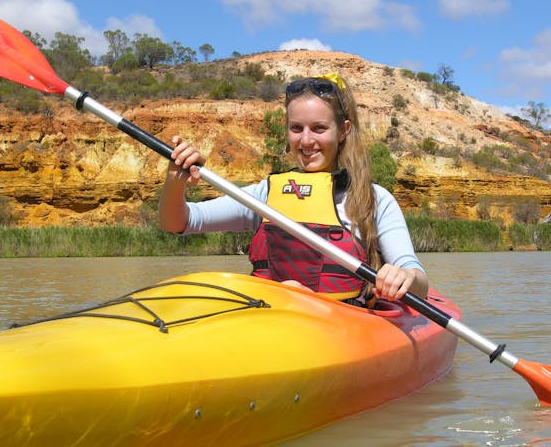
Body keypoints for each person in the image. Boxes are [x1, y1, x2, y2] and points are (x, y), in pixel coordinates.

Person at [158, 72, 428, 305]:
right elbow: (179, 222)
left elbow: (418, 281)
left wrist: (404, 277)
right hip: (274, 320)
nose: (306, 140)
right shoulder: (265, 195)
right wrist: (175, 178)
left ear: (343, 130)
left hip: (342, 328)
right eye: (296, 128)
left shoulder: (373, 199)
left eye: (319, 128)